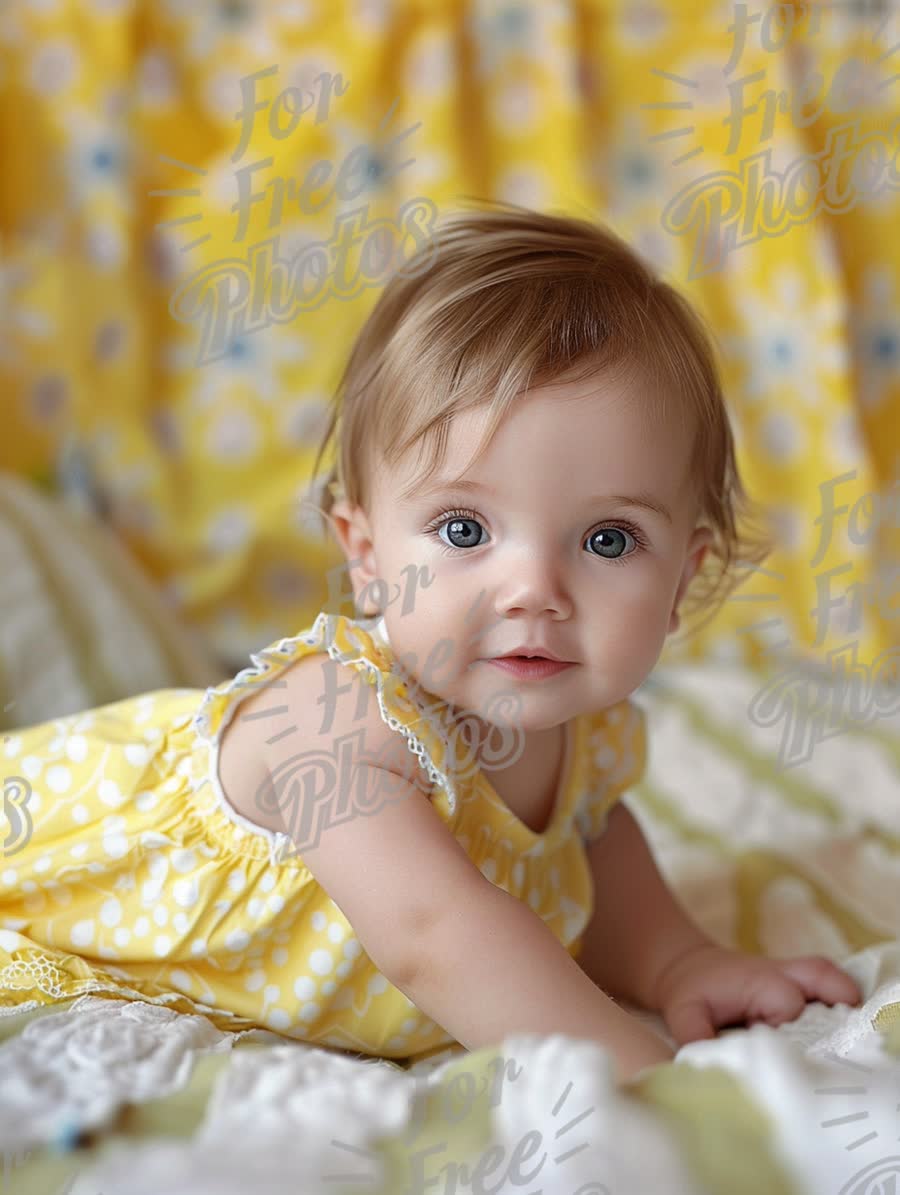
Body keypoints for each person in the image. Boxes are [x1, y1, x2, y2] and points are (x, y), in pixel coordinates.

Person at [0, 203, 861, 1084]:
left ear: (682, 578)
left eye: (608, 539)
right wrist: (648, 1075)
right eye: (462, 529)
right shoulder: (335, 724)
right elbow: (433, 937)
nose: (534, 590)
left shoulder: (585, 733)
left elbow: (594, 850)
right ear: (367, 555)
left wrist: (683, 963)